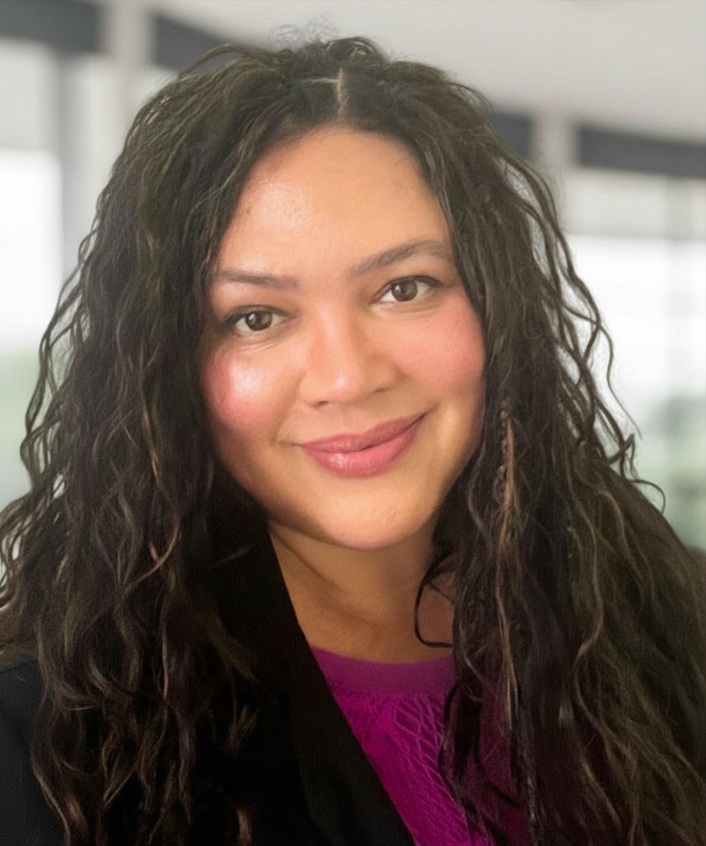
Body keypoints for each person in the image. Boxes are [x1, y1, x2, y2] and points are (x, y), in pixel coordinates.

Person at [0, 36, 704, 846]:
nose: (347, 376)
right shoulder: (46, 742)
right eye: (256, 318)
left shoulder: (663, 621)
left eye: (405, 288)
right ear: (166, 368)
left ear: (498, 308)